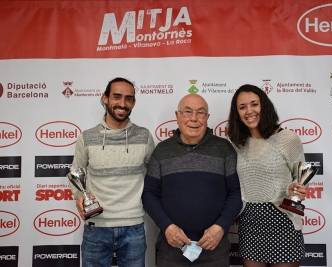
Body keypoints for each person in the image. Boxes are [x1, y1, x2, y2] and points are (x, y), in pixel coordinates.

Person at [142, 94, 242, 267]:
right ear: (178, 116)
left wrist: (220, 227)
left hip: (214, 249)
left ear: (207, 118)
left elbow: (236, 193)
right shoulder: (162, 150)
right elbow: (149, 194)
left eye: (200, 113)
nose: (194, 119)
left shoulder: (224, 149)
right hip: (171, 249)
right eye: (187, 112)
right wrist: (167, 226)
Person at [69, 77, 155, 267]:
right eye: (117, 97)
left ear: (133, 102)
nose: (122, 104)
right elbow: (76, 171)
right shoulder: (87, 137)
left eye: (129, 98)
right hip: (96, 226)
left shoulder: (144, 136)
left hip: (133, 226)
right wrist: (79, 195)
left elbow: (156, 174)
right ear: (105, 98)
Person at [227, 84, 307, 267]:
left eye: (254, 104)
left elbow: (305, 172)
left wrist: (294, 195)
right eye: (242, 107)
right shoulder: (237, 145)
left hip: (283, 221)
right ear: (237, 113)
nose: (249, 111)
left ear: (264, 105)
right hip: (250, 222)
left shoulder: (287, 138)